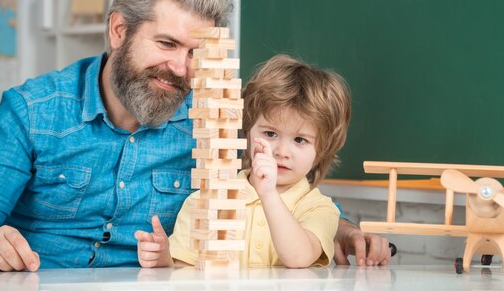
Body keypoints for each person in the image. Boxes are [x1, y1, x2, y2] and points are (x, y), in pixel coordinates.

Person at [0, 0, 390, 272]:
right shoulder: (31, 112)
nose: (182, 68)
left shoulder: (213, 119)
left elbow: (284, 188)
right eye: (167, 44)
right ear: (119, 31)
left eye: (195, 53)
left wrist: (344, 231)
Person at [135, 54, 350, 268]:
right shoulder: (208, 200)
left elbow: (299, 258)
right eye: (270, 134)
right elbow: (185, 270)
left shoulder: (320, 208)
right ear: (247, 132)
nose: (282, 152)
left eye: (300, 140)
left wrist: (268, 194)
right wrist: (164, 260)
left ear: (322, 150)